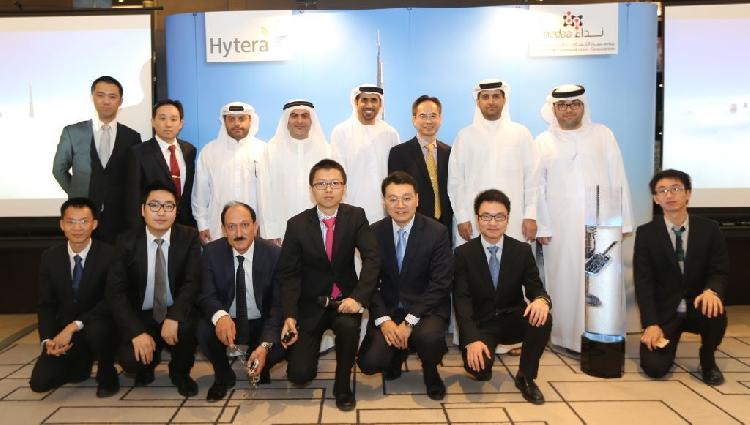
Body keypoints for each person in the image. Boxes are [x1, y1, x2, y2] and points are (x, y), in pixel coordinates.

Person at [535, 84, 633, 354]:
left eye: (574, 104)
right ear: (554, 109)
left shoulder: (603, 134)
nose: (568, 110)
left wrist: (623, 221)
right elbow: (537, 186)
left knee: (600, 280)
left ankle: (601, 337)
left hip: (601, 224)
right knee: (564, 281)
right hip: (560, 227)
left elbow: (618, 175)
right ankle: (566, 338)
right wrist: (542, 225)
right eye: (562, 105)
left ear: (583, 106)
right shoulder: (542, 141)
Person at [278, 159, 379, 411]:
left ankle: (342, 385)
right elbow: (288, 275)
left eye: (335, 183)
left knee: (348, 328)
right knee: (299, 374)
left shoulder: (356, 216)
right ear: (311, 189)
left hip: (345, 301)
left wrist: (358, 297)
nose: (328, 189)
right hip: (310, 304)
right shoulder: (296, 224)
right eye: (321, 184)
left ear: (344, 187)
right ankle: (306, 360)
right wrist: (289, 314)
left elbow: (372, 258)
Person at [357, 171, 452, 400]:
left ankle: (431, 372)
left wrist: (409, 321)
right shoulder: (374, 232)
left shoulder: (437, 232)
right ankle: (396, 355)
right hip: (390, 309)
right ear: (384, 201)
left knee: (429, 339)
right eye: (393, 199)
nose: (400, 205)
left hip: (425, 309)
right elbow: (369, 282)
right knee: (369, 362)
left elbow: (440, 284)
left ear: (417, 199)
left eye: (406, 198)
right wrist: (384, 320)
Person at [453, 189, 552, 405]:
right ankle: (482, 357)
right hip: (482, 324)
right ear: (477, 219)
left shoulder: (522, 250)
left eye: (499, 216)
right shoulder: (463, 254)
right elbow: (461, 301)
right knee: (479, 371)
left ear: (507, 219)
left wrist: (541, 301)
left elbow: (535, 288)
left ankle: (526, 377)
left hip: (513, 319)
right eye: (486, 216)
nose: (492, 223)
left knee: (543, 317)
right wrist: (471, 339)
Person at [634, 169, 728, 386]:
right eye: (662, 190)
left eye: (675, 188)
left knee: (715, 307)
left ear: (688, 194)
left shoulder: (710, 229)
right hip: (666, 311)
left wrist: (712, 291)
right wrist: (651, 323)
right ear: (655, 198)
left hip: (699, 305)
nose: (669, 195)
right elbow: (643, 282)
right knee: (654, 369)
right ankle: (667, 342)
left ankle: (707, 359)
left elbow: (719, 270)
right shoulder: (646, 233)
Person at [106, 183, 202, 397]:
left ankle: (180, 373)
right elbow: (115, 292)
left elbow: (192, 282)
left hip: (174, 309)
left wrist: (174, 316)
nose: (161, 212)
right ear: (143, 210)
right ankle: (147, 365)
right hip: (142, 314)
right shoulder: (126, 241)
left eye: (168, 206)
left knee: (189, 326)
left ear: (176, 211)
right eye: (154, 205)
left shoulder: (189, 237)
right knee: (130, 360)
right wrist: (136, 332)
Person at [30, 198, 120, 397]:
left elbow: (112, 300)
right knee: (40, 383)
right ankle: (80, 366)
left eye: (83, 221)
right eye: (71, 222)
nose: (77, 228)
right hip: (65, 331)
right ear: (62, 225)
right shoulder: (50, 257)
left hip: (100, 325)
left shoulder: (111, 255)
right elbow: (46, 304)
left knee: (98, 329)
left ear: (94, 224)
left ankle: (107, 372)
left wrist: (74, 326)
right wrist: (48, 341)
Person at [197, 201, 285, 401]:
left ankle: (261, 363)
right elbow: (205, 294)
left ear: (255, 226)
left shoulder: (274, 254)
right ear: (223, 230)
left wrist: (264, 345)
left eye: (245, 225)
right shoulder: (211, 252)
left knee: (284, 340)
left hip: (262, 322)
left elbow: (278, 305)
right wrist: (220, 316)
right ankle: (223, 376)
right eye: (231, 226)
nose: (239, 233)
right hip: (229, 322)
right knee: (202, 328)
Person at [448, 79, 539, 245]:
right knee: (474, 260)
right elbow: (456, 181)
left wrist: (530, 215)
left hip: (515, 219)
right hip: (474, 219)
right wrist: (462, 216)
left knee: (515, 259)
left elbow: (532, 179)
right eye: (485, 97)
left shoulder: (521, 134)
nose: (491, 101)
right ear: (478, 102)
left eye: (496, 96)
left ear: (504, 100)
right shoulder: (464, 136)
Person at [52, 76, 141, 242]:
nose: (106, 101)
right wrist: (76, 192)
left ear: (120, 101)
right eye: (100, 95)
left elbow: (133, 178)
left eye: (112, 96)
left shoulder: (132, 137)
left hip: (119, 219)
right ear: (92, 97)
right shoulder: (73, 132)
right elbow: (59, 169)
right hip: (83, 218)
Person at [192, 102, 265, 245]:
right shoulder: (209, 151)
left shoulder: (264, 150)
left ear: (250, 120)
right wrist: (202, 225)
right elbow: (200, 193)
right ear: (224, 121)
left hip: (255, 228)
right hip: (218, 227)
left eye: (241, 118)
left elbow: (270, 195)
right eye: (231, 119)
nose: (237, 123)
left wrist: (268, 225)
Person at [259, 100, 330, 242]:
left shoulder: (326, 150)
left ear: (311, 120)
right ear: (287, 120)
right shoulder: (271, 151)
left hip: (320, 229)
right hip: (281, 228)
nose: (299, 121)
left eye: (305, 116)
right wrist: (270, 232)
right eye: (294, 116)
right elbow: (265, 193)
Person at [331, 84, 400, 223]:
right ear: (356, 102)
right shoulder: (341, 132)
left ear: (380, 104)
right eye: (364, 100)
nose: (369, 105)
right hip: (351, 209)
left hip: (384, 211)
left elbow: (396, 175)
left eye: (374, 100)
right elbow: (337, 175)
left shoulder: (390, 133)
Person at [128, 99, 197, 228]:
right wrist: (137, 230)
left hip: (185, 225)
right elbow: (133, 196)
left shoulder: (189, 150)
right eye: (162, 118)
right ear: (153, 122)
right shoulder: (139, 152)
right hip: (153, 223)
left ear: (181, 124)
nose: (168, 124)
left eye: (173, 119)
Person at [389, 95, 453, 232]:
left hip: (445, 226)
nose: (428, 121)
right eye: (423, 116)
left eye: (433, 116)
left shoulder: (449, 153)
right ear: (414, 119)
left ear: (440, 118)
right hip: (413, 225)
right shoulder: (399, 153)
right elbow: (395, 191)